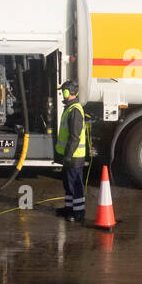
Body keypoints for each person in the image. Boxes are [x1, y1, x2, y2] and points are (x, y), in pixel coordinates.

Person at [55, 79, 87, 224]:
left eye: (63, 91)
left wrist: (67, 156)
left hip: (74, 157)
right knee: (68, 184)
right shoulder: (70, 108)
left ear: (68, 92)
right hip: (69, 156)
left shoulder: (74, 110)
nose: (62, 94)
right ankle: (69, 209)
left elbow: (74, 137)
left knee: (75, 184)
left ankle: (78, 213)